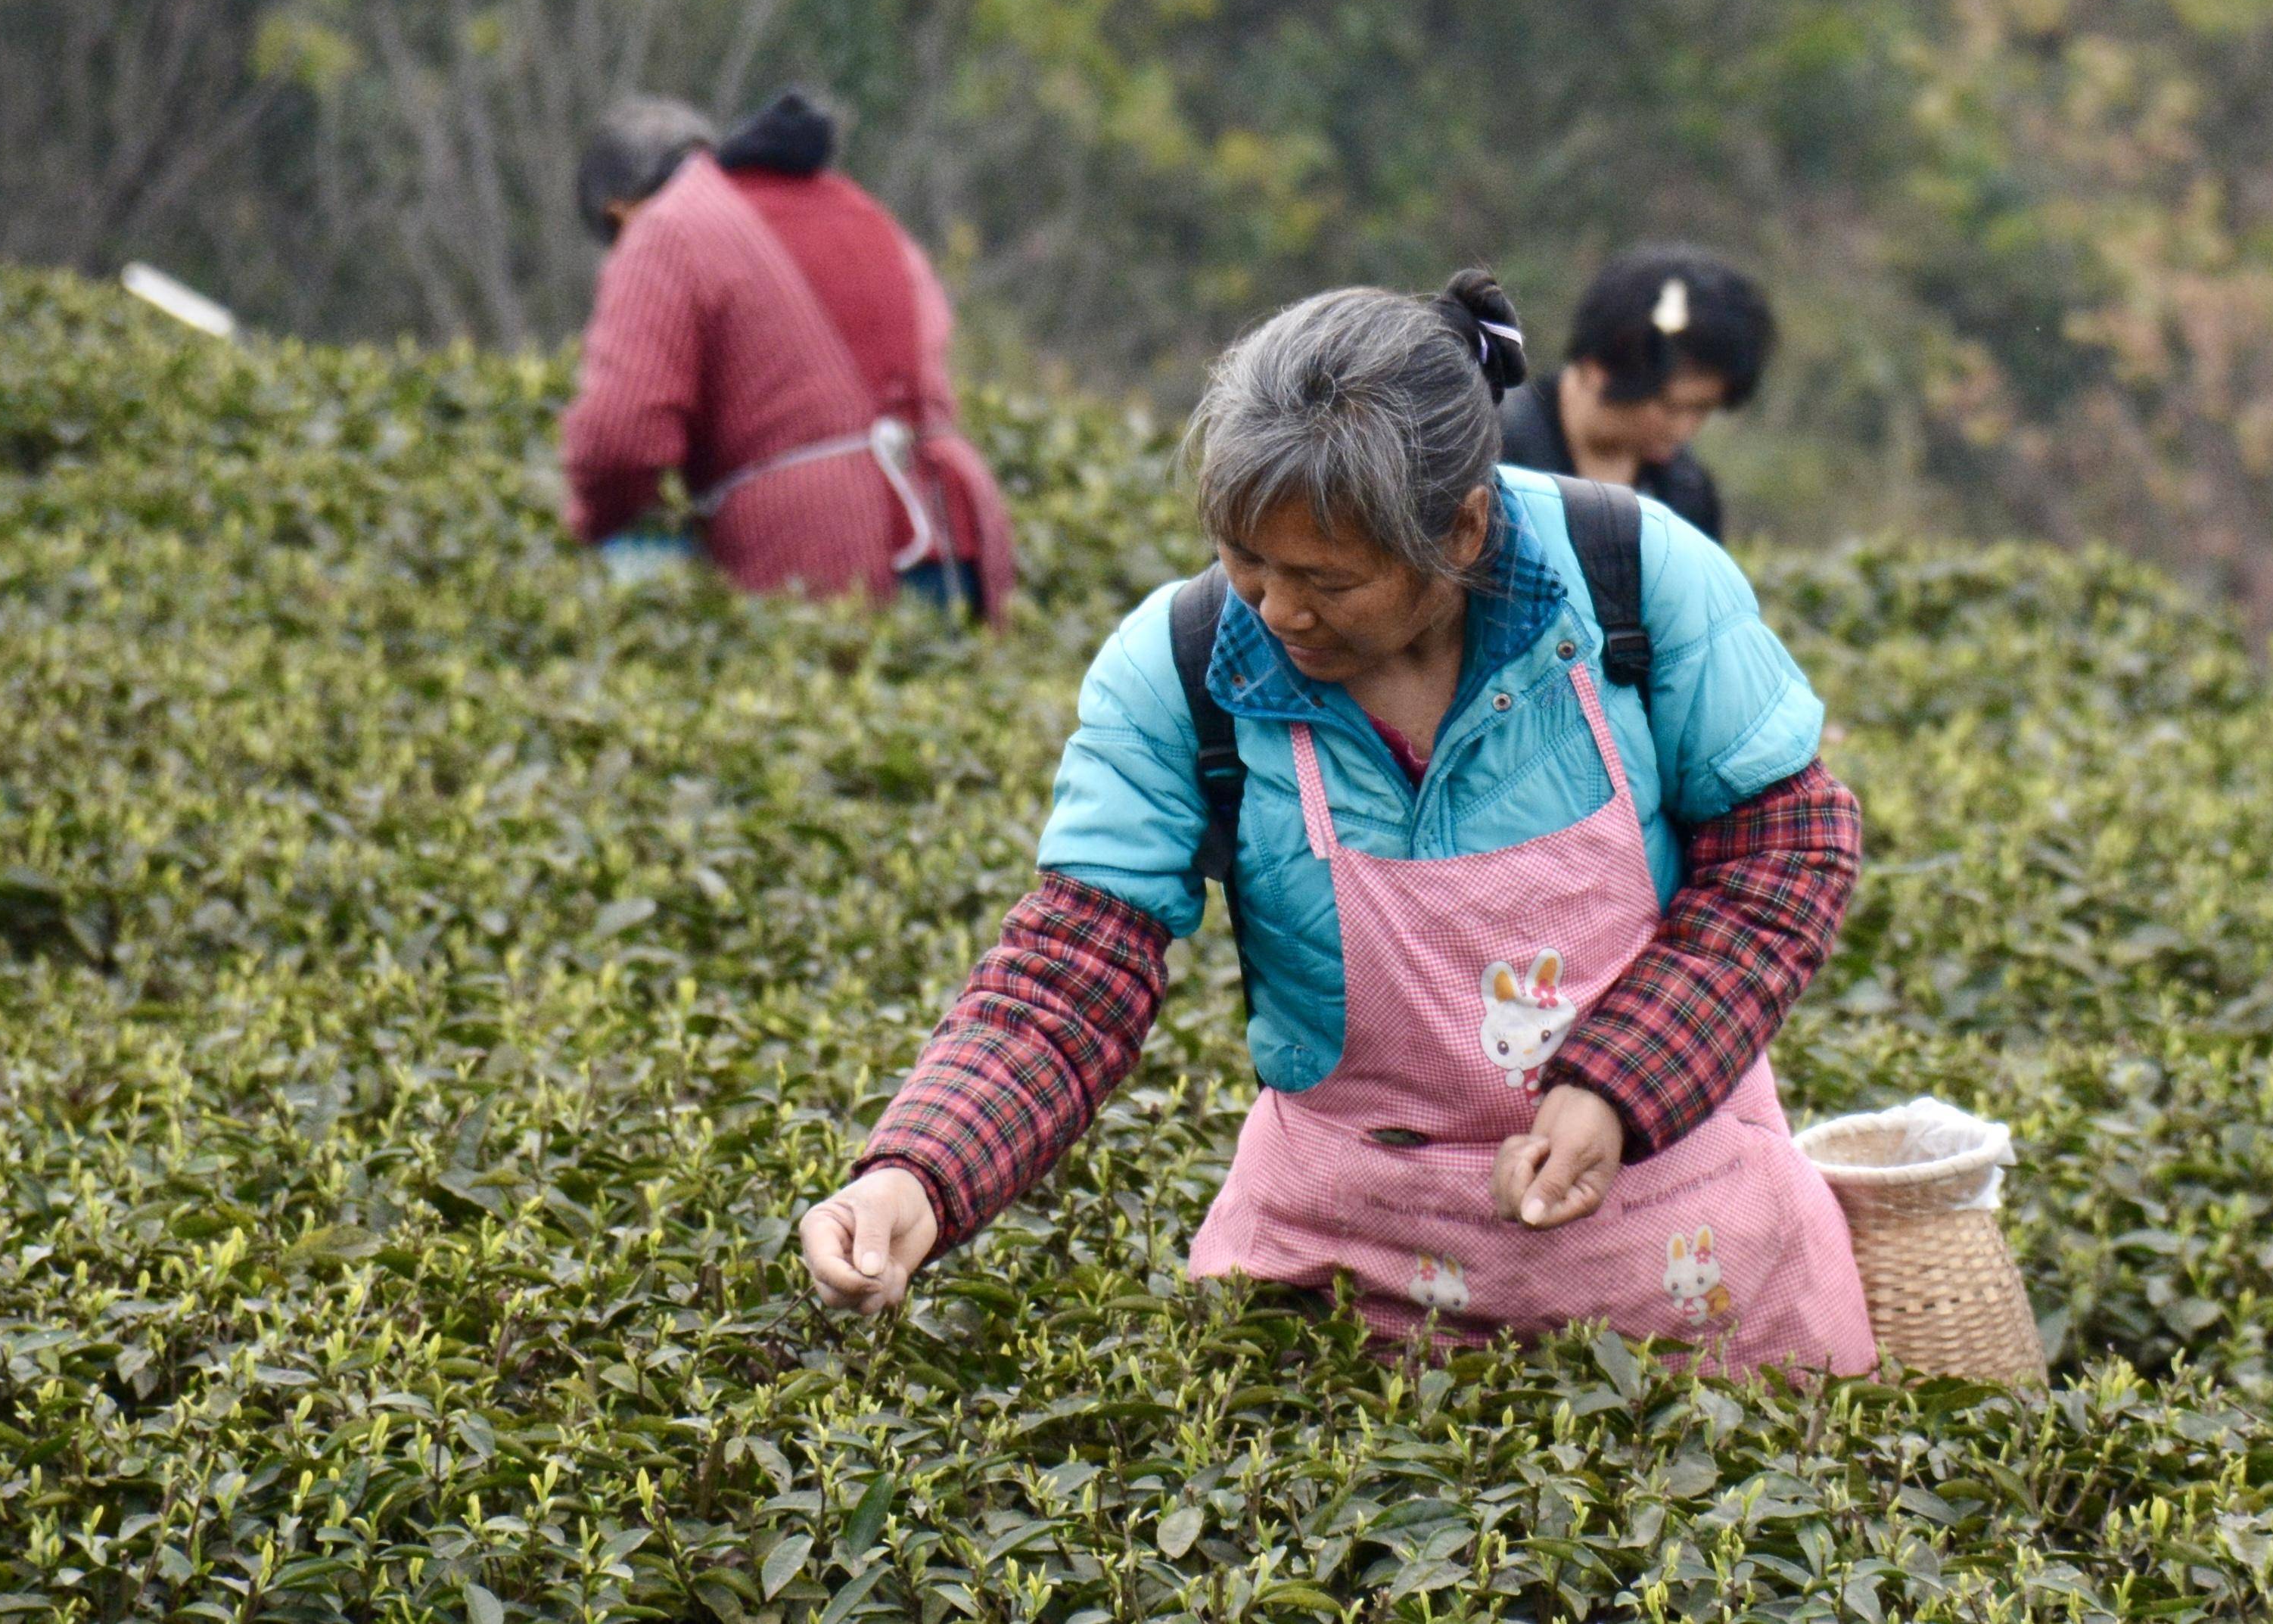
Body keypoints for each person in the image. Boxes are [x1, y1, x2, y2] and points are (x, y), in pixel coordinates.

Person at [799, 272, 1877, 1376]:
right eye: (1246, 559)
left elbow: (1785, 849)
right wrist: (919, 1172)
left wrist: (1618, 1083)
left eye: (1325, 578)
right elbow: (1074, 966)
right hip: (1349, 1263)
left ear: (1458, 527)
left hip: (1676, 1247)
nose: (1276, 611)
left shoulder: (1631, 582)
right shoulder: (1178, 663)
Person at [560, 90, 1015, 624]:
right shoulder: (857, 207)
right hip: (958, 533)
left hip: (824, 556)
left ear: (619, 213)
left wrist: (594, 525)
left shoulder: (664, 231)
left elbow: (620, 439)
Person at [1497, 247, 1774, 541]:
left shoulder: (1686, 496)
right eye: (1671, 407)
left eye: (1703, 410)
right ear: (1598, 368)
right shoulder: (1493, 449)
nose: (1684, 430)